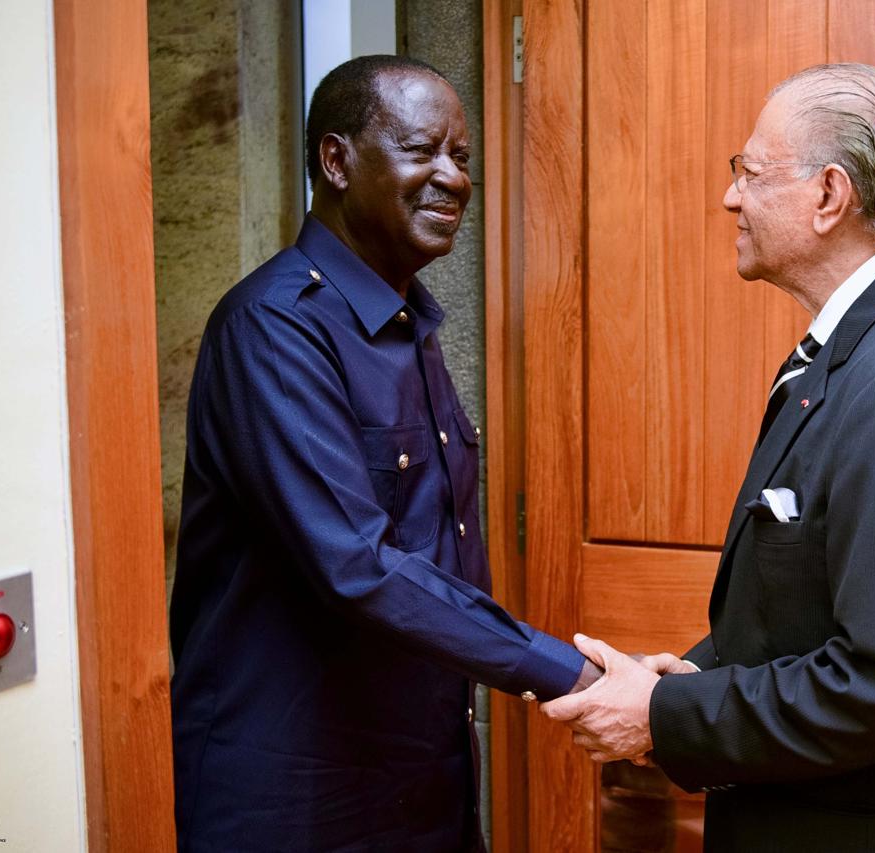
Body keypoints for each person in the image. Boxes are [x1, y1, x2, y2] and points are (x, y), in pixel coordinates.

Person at [544, 63, 875, 852]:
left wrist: (662, 716)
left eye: (748, 171)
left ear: (828, 195)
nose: (730, 197)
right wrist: (688, 682)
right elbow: (808, 609)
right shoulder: (859, 347)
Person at [169, 55, 597, 852]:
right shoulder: (273, 328)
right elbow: (357, 563)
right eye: (421, 150)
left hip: (419, 775)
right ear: (336, 161)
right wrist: (567, 673)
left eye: (461, 158)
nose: (453, 178)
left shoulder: (409, 325)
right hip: (295, 794)